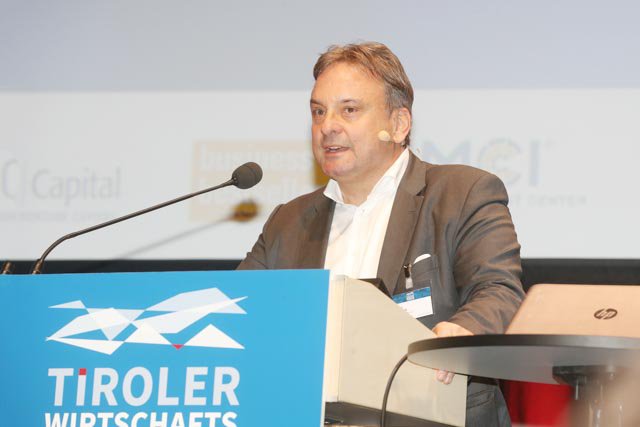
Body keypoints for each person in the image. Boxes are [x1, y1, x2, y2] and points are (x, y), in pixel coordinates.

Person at [238, 41, 524, 426]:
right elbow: (240, 310)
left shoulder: (461, 194)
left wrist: (462, 331)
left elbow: (498, 289)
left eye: (349, 110)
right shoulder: (288, 221)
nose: (327, 126)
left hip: (434, 413)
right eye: (318, 111)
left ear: (399, 124)